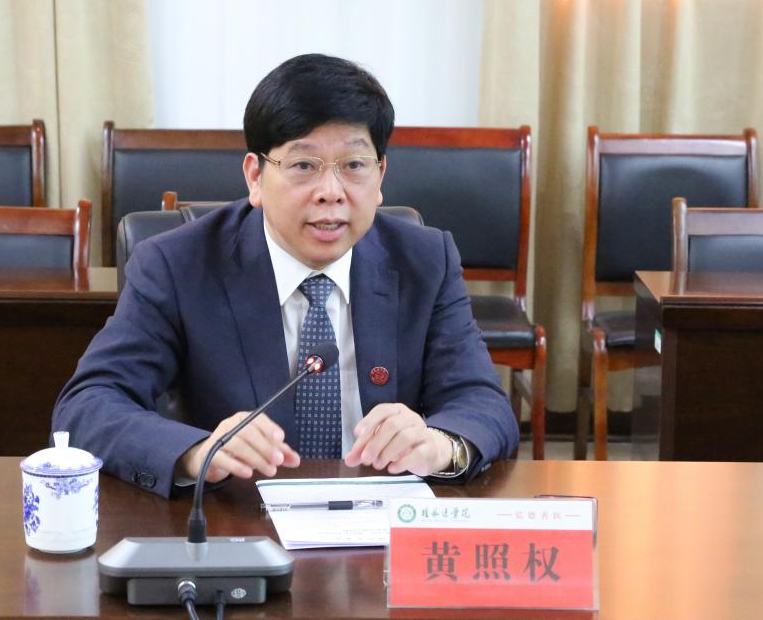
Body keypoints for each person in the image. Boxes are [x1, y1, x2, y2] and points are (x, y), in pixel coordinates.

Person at [53, 53, 518, 498]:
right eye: (303, 166)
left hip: (383, 524)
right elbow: (87, 405)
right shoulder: (176, 265)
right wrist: (198, 453)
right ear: (255, 177)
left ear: (380, 176)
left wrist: (441, 445)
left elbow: (482, 402)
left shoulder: (424, 261)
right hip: (238, 519)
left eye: (354, 166)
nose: (331, 192)